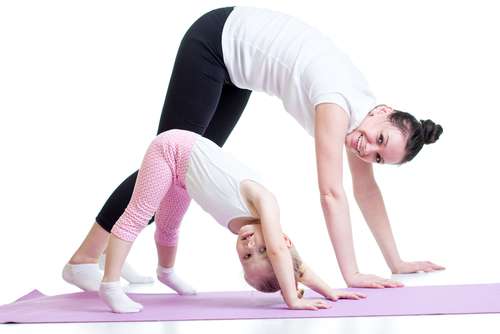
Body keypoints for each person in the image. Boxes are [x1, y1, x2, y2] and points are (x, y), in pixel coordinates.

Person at [64, 6, 444, 291]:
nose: (368, 152)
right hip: (214, 44)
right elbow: (332, 193)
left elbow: (366, 190)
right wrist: (352, 274)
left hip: (236, 71)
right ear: (383, 112)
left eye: (378, 157)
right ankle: (85, 258)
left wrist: (396, 261)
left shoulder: (361, 118)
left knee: (186, 170)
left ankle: (110, 248)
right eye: (379, 140)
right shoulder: (338, 104)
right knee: (168, 159)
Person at [96, 129, 365, 313]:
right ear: (282, 240)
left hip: (182, 179)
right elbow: (280, 253)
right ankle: (110, 284)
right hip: (170, 150)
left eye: (246, 258)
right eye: (261, 250)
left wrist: (330, 291)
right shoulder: (266, 203)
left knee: (168, 227)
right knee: (138, 214)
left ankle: (165, 272)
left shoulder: (258, 233)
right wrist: (291, 298)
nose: (249, 247)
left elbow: (296, 266)